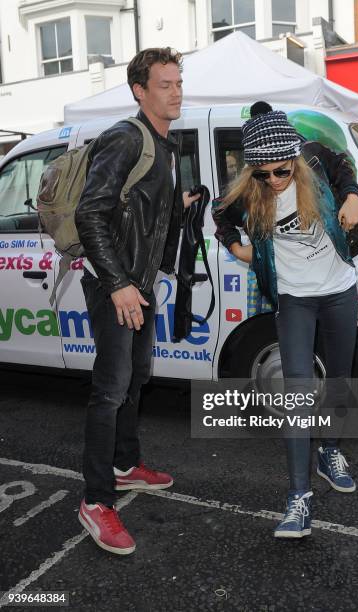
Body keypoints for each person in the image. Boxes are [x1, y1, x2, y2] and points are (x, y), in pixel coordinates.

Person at [212, 101, 358, 539]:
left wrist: (351, 196)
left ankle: (330, 451)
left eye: (282, 171)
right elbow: (220, 216)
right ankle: (298, 497)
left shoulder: (315, 162)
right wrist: (237, 248)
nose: (275, 181)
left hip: (338, 290)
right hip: (294, 300)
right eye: (264, 173)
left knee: (338, 378)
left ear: (294, 159)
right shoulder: (251, 193)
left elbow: (345, 166)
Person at [75, 47, 200, 555]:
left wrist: (178, 205)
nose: (175, 92)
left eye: (177, 83)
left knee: (137, 378)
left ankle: (126, 467)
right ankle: (95, 500)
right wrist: (118, 282)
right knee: (109, 389)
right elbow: (91, 214)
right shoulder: (126, 137)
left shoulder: (165, 145)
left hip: (140, 284)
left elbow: (140, 210)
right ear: (139, 91)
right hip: (115, 284)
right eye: (164, 84)